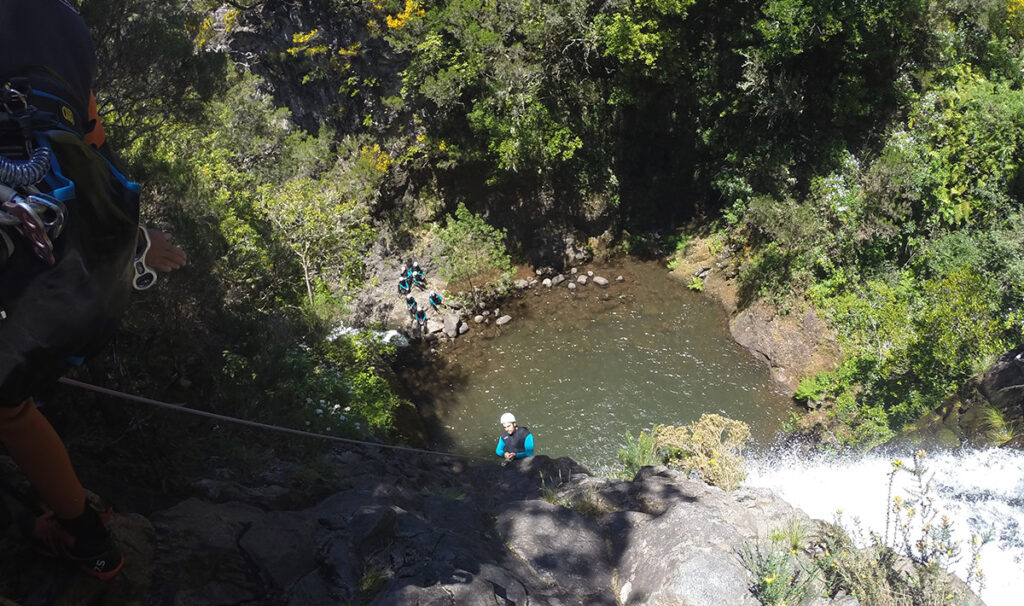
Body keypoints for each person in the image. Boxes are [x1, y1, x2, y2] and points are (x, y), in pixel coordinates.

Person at [0, 0, 186, 581]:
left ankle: (78, 535)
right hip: (83, 261)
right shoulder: (66, 22)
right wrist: (137, 238)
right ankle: (83, 532)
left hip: (30, 258)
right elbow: (92, 140)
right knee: (8, 405)